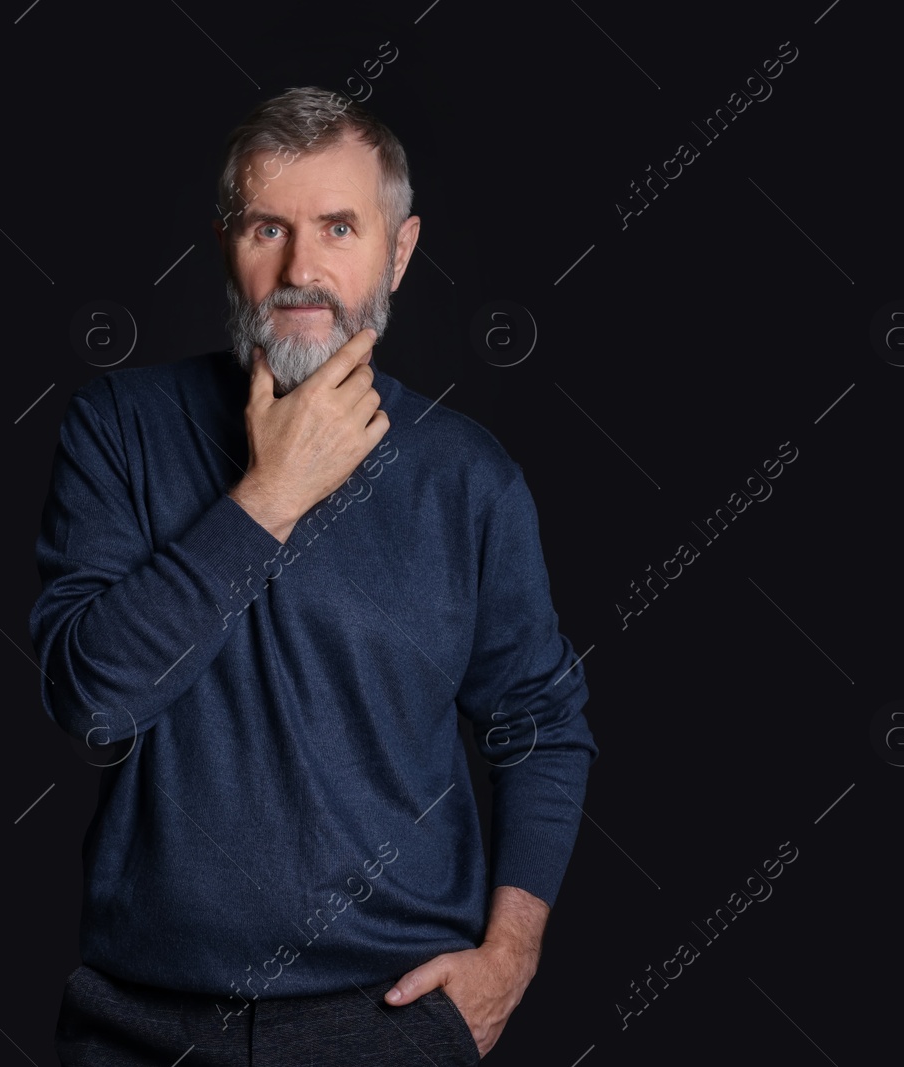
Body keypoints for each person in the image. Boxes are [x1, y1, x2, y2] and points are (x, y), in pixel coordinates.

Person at [30, 85, 597, 1065]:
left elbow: (540, 723)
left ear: (399, 250)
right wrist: (269, 493)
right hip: (136, 1025)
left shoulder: (466, 475)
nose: (301, 268)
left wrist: (509, 956)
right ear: (224, 244)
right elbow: (94, 699)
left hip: (388, 1026)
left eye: (339, 226)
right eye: (267, 228)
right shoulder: (118, 430)